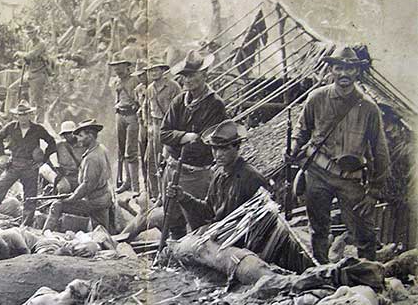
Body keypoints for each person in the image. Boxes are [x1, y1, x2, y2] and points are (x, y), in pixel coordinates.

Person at [288, 45, 390, 263]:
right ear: (331, 70)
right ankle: (320, 274)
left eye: (349, 68)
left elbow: (380, 153)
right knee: (318, 230)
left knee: (365, 234)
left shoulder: (369, 108)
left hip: (350, 180)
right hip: (317, 174)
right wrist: (293, 146)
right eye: (339, 68)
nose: (344, 73)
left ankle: (368, 277)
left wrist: (373, 193)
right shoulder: (316, 98)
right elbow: (301, 129)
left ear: (357, 71)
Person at [160, 50, 227, 239]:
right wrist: (185, 137)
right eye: (184, 76)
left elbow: (206, 143)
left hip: (196, 173)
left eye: (192, 75)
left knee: (197, 220)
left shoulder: (215, 105)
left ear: (204, 74)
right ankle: (173, 254)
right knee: (172, 219)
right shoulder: (179, 101)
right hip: (173, 168)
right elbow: (163, 134)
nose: (187, 80)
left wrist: (183, 141)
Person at [165, 120, 269, 229]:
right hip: (218, 233)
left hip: (237, 240)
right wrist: (182, 197)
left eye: (225, 149)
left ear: (237, 147)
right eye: (215, 148)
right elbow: (208, 211)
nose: (218, 155)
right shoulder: (219, 172)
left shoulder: (252, 178)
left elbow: (263, 223)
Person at [0, 100, 57, 226]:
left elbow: (52, 143)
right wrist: (2, 154)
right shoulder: (11, 127)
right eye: (20, 115)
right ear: (17, 116)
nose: (23, 117)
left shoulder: (37, 129)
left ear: (30, 115)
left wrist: (43, 160)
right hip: (13, 164)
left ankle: (25, 224)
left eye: (25, 114)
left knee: (30, 196)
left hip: (30, 166)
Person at [43, 119, 113, 232]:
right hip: (102, 196)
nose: (78, 139)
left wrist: (72, 198)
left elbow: (87, 185)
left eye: (80, 136)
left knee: (57, 205)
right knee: (101, 230)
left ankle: (44, 236)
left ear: (90, 136)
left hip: (95, 200)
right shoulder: (100, 148)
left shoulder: (92, 158)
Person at [142, 55, 181, 201]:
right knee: (151, 161)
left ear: (163, 71)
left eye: (156, 70)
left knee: (167, 161)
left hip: (170, 126)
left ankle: (166, 194)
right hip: (156, 127)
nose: (153, 73)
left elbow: (181, 107)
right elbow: (146, 108)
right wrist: (148, 125)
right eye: (150, 71)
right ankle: (156, 193)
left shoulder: (173, 87)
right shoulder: (150, 89)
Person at [108, 55, 142, 193]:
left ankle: (135, 186)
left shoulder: (134, 80)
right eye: (115, 66)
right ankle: (126, 182)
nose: (117, 69)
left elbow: (140, 100)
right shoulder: (116, 81)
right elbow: (116, 99)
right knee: (121, 151)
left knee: (131, 152)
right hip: (120, 115)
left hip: (132, 116)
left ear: (127, 66)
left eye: (120, 66)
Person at [15, 25, 51, 122]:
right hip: (30, 73)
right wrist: (21, 61)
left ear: (36, 32)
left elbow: (31, 55)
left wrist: (20, 54)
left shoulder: (41, 44)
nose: (30, 35)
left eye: (31, 32)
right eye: (28, 33)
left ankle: (39, 122)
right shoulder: (28, 44)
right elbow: (27, 60)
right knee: (14, 88)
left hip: (39, 74)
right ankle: (22, 113)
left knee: (38, 100)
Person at [53, 121, 84, 194]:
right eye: (65, 134)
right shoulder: (59, 146)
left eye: (69, 133)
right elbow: (47, 157)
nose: (67, 135)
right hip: (67, 177)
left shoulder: (83, 145)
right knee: (62, 188)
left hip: (82, 176)